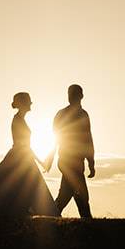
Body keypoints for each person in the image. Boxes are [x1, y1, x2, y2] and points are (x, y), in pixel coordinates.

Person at [50, 83, 95, 218]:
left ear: (81, 96)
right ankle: (88, 221)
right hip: (69, 160)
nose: (71, 97)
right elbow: (87, 139)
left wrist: (91, 162)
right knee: (81, 194)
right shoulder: (78, 114)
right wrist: (91, 162)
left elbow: (87, 139)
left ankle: (51, 214)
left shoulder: (67, 114)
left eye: (73, 94)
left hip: (70, 160)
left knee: (67, 193)